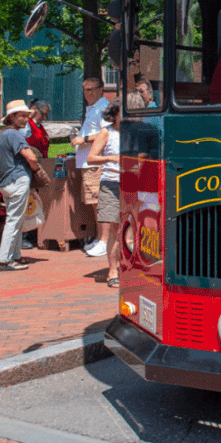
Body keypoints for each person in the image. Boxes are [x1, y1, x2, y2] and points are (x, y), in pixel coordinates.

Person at [0, 101, 50, 271]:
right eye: (22, 116)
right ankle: (5, 259)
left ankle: (15, 255)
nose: (26, 119)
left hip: (4, 181)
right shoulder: (15, 135)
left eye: (27, 116)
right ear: (12, 117)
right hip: (17, 180)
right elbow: (30, 156)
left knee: (16, 220)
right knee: (14, 221)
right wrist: (35, 169)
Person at [71, 77, 109, 256]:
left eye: (92, 89)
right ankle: (99, 238)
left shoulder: (103, 107)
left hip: (95, 162)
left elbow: (105, 133)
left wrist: (83, 139)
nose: (89, 93)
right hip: (88, 163)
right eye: (86, 90)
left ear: (101, 89)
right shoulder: (93, 108)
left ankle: (104, 241)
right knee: (94, 203)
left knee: (99, 202)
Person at [88, 100, 121, 288]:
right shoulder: (106, 132)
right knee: (114, 229)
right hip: (112, 184)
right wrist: (111, 158)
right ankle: (113, 270)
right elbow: (91, 158)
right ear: (114, 115)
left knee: (131, 229)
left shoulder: (135, 132)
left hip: (133, 184)